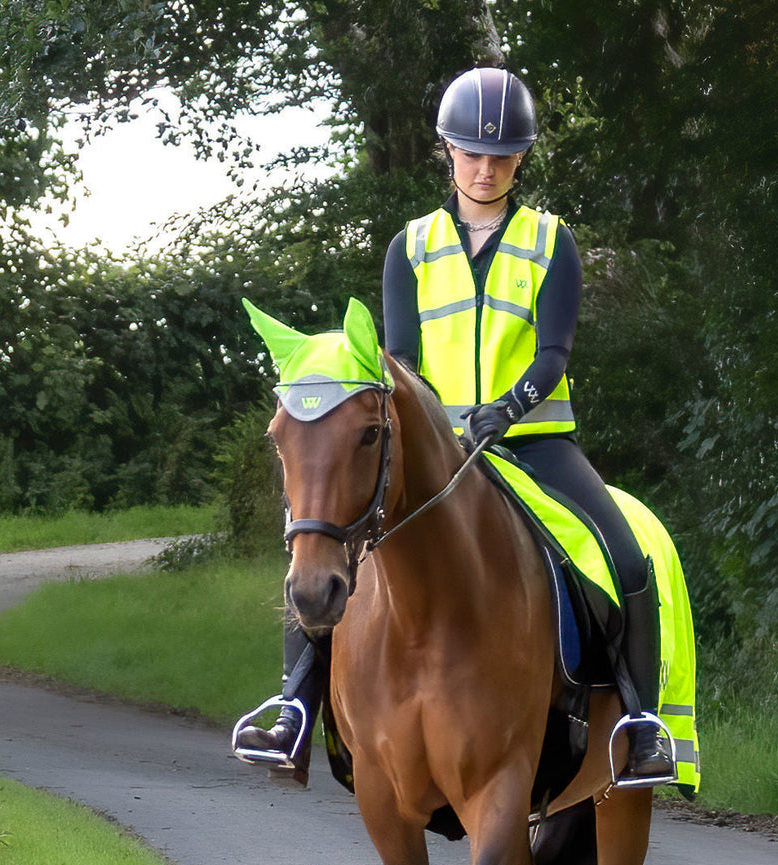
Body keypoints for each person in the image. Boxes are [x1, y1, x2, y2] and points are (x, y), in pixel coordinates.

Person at [234, 66, 674, 785]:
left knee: (626, 559)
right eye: (472, 153)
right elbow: (402, 361)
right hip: (440, 450)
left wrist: (510, 407)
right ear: (447, 149)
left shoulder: (549, 240)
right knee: (328, 548)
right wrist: (445, 425)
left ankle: (640, 722)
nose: (486, 168)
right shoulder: (410, 246)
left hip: (535, 443)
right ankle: (293, 709)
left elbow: (555, 350)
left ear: (521, 159)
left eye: (501, 157)